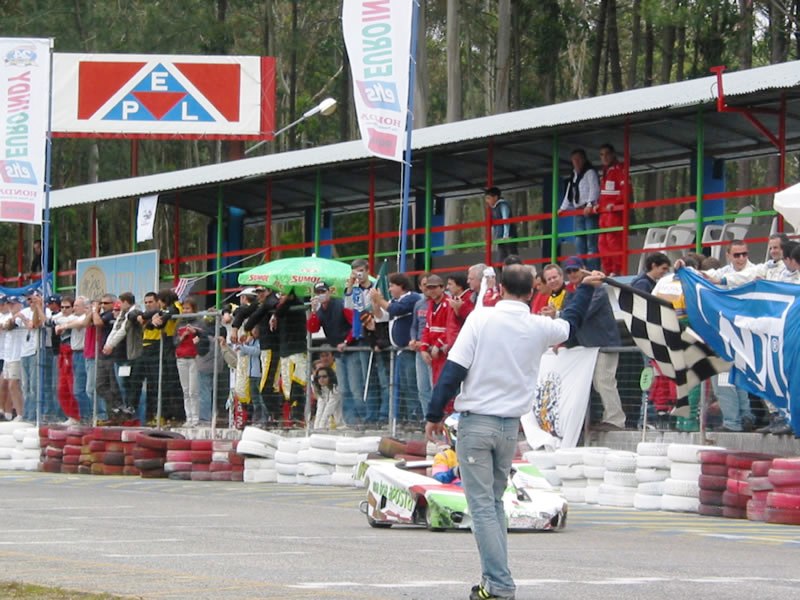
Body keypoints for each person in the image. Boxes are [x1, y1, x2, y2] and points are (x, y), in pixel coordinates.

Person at [425, 265, 602, 600]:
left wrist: (435, 412)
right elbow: (572, 322)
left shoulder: (481, 318)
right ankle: (492, 582)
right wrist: (586, 288)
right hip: (510, 427)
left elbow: (454, 369)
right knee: (493, 504)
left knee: (482, 507)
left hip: (477, 422)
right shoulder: (538, 326)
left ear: (501, 287)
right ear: (533, 291)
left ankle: (500, 584)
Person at [561, 256, 626, 431]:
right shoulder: (571, 293)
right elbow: (568, 317)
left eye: (575, 269)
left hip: (605, 345)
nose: (572, 273)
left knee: (604, 381)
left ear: (583, 269)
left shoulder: (598, 290)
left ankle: (616, 420)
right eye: (569, 271)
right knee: (597, 384)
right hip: (588, 348)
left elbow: (581, 313)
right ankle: (603, 418)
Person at [370, 272, 421, 423]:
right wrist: (375, 302)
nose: (390, 289)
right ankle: (411, 417)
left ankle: (418, 417)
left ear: (402, 286)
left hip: (409, 350)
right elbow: (381, 316)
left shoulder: (412, 298)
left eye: (392, 286)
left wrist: (380, 299)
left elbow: (395, 310)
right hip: (400, 351)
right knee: (404, 386)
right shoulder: (394, 301)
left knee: (412, 385)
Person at [559, 148, 600, 269]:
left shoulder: (590, 172)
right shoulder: (574, 175)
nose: (576, 162)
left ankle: (593, 270)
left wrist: (589, 205)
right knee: (579, 242)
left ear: (584, 159)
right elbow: (569, 192)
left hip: (589, 211)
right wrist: (563, 208)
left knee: (591, 243)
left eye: (578, 159)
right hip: (578, 211)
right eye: (574, 160)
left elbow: (594, 189)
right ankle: (582, 269)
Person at [593, 144, 627, 275]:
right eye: (601, 155)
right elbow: (605, 194)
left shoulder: (620, 169)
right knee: (602, 243)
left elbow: (625, 191)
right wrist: (598, 205)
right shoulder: (605, 171)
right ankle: (608, 270)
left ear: (613, 154)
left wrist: (616, 203)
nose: (604, 157)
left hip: (614, 214)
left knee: (614, 242)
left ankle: (617, 270)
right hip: (604, 214)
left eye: (607, 154)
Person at [418, 274, 456, 384]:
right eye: (429, 288)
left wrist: (438, 345)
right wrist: (424, 349)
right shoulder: (430, 304)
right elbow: (427, 328)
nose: (431, 290)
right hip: (434, 354)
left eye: (434, 287)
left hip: (445, 352)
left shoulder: (449, 304)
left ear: (442, 288)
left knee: (444, 387)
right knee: (434, 386)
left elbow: (450, 328)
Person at [409, 273, 433, 419]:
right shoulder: (419, 304)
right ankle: (427, 418)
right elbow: (414, 326)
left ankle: (438, 420)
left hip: (433, 350)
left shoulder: (441, 302)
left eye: (430, 285)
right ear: (420, 287)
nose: (427, 289)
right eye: (425, 285)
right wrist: (412, 339)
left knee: (434, 387)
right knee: (422, 388)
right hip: (419, 351)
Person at [175, 297, 202, 427]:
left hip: (193, 358)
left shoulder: (198, 322)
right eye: (184, 308)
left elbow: (204, 335)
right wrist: (182, 337)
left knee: (193, 390)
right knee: (185, 390)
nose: (185, 311)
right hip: (181, 358)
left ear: (193, 309)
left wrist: (195, 332)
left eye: (188, 308)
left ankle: (196, 417)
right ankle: (188, 417)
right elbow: (174, 342)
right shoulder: (179, 323)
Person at [485, 186, 518, 262]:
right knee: (500, 261)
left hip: (508, 237)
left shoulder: (503, 205)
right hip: (500, 238)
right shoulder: (493, 208)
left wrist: (505, 235)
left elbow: (505, 220)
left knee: (512, 259)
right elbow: (494, 225)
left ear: (495, 197)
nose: (487, 201)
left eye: (488, 198)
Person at [311, 365, 342, 430]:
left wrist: (320, 429)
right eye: (319, 377)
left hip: (341, 425)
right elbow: (319, 412)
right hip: (331, 426)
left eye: (324, 376)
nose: (321, 379)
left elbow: (328, 410)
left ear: (330, 377)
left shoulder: (336, 389)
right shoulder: (322, 391)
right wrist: (316, 428)